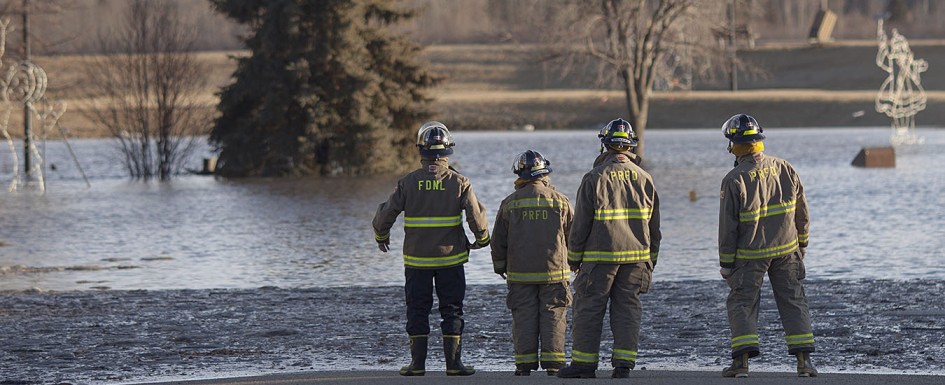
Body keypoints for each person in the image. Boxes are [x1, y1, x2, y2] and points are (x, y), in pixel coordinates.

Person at [372, 121, 491, 377]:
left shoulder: (408, 183)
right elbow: (476, 218)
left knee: (417, 309)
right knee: (452, 309)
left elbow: (386, 214)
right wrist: (482, 240)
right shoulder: (460, 182)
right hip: (451, 260)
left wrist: (381, 235)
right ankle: (454, 365)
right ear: (448, 151)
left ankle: (417, 366)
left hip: (417, 262)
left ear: (421, 151)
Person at [558, 118, 661, 379]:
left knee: (589, 309)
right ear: (629, 147)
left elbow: (581, 223)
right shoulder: (645, 178)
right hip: (637, 258)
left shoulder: (594, 177)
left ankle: (584, 365)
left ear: (605, 146)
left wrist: (573, 257)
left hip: (599, 259)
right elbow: (655, 226)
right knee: (628, 310)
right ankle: (624, 366)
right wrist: (652, 259)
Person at [717, 114, 816, 378]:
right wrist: (801, 247)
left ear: (735, 145)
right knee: (794, 301)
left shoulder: (733, 179)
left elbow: (728, 229)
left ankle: (741, 365)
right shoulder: (785, 168)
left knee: (741, 303)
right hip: (787, 250)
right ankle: (804, 363)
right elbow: (802, 214)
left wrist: (727, 266)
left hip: (749, 255)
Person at [491, 150, 574, 377]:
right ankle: (554, 364)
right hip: (554, 273)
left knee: (524, 315)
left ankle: (524, 365)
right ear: (544, 172)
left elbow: (498, 240)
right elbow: (573, 236)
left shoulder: (509, 203)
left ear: (520, 173)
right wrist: (576, 262)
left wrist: (499, 266)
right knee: (554, 315)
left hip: (520, 274)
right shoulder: (561, 201)